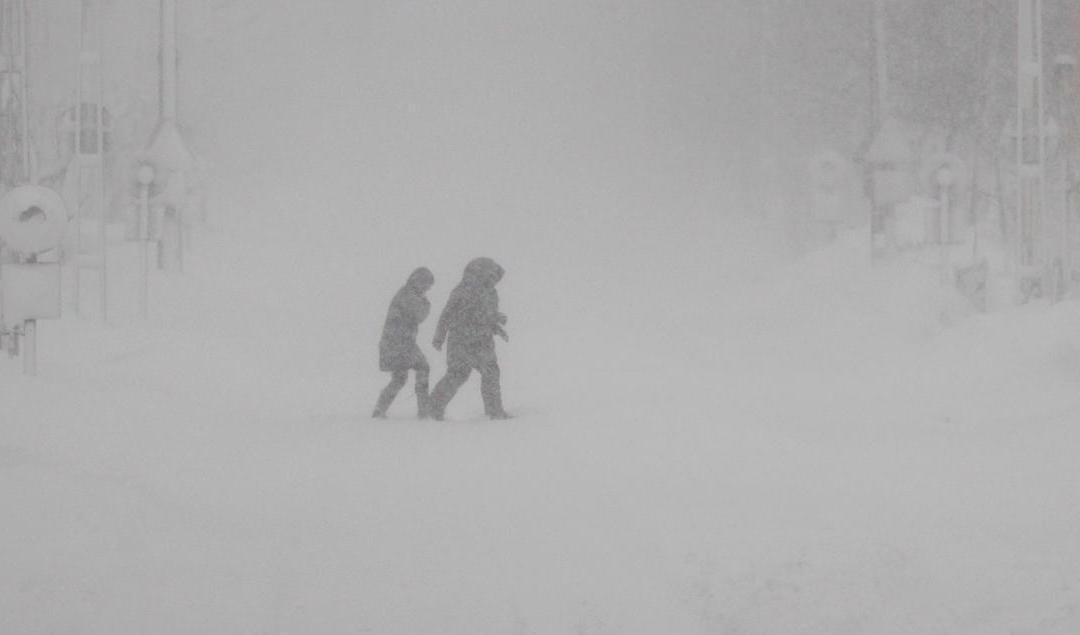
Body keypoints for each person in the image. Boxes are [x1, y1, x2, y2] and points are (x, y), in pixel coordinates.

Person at [428, 257, 510, 420]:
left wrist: (496, 326)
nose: (494, 281)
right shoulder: (464, 290)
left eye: (496, 278)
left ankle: (494, 410)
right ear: (481, 273)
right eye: (491, 276)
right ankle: (433, 407)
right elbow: (448, 314)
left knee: (491, 372)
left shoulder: (491, 293)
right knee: (458, 374)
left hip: (483, 340)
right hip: (461, 339)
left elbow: (486, 317)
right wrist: (439, 336)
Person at [372, 267, 435, 419]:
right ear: (417, 281)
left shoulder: (405, 293)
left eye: (428, 286)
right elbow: (420, 315)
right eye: (426, 284)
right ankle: (423, 410)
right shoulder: (409, 296)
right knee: (423, 368)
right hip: (401, 343)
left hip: (394, 342)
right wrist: (426, 303)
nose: (427, 288)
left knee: (399, 378)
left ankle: (380, 409)